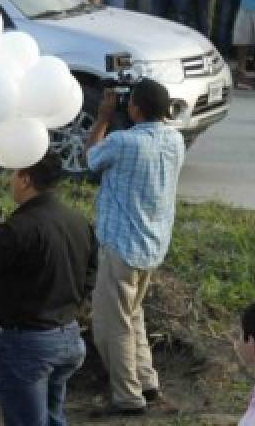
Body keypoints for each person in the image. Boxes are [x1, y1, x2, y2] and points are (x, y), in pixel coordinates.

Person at [0, 154, 97, 426]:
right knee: (53, 417)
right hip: (68, 335)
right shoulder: (77, 220)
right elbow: (91, 271)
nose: (10, 180)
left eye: (14, 173)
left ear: (26, 179)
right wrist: (69, 301)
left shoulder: (22, 226)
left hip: (29, 343)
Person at [85, 79, 184, 416]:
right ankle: (146, 379)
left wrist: (102, 117)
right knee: (132, 313)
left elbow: (90, 159)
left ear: (135, 108)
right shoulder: (175, 140)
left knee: (112, 324)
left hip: (121, 247)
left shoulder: (123, 142)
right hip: (153, 245)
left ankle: (127, 397)